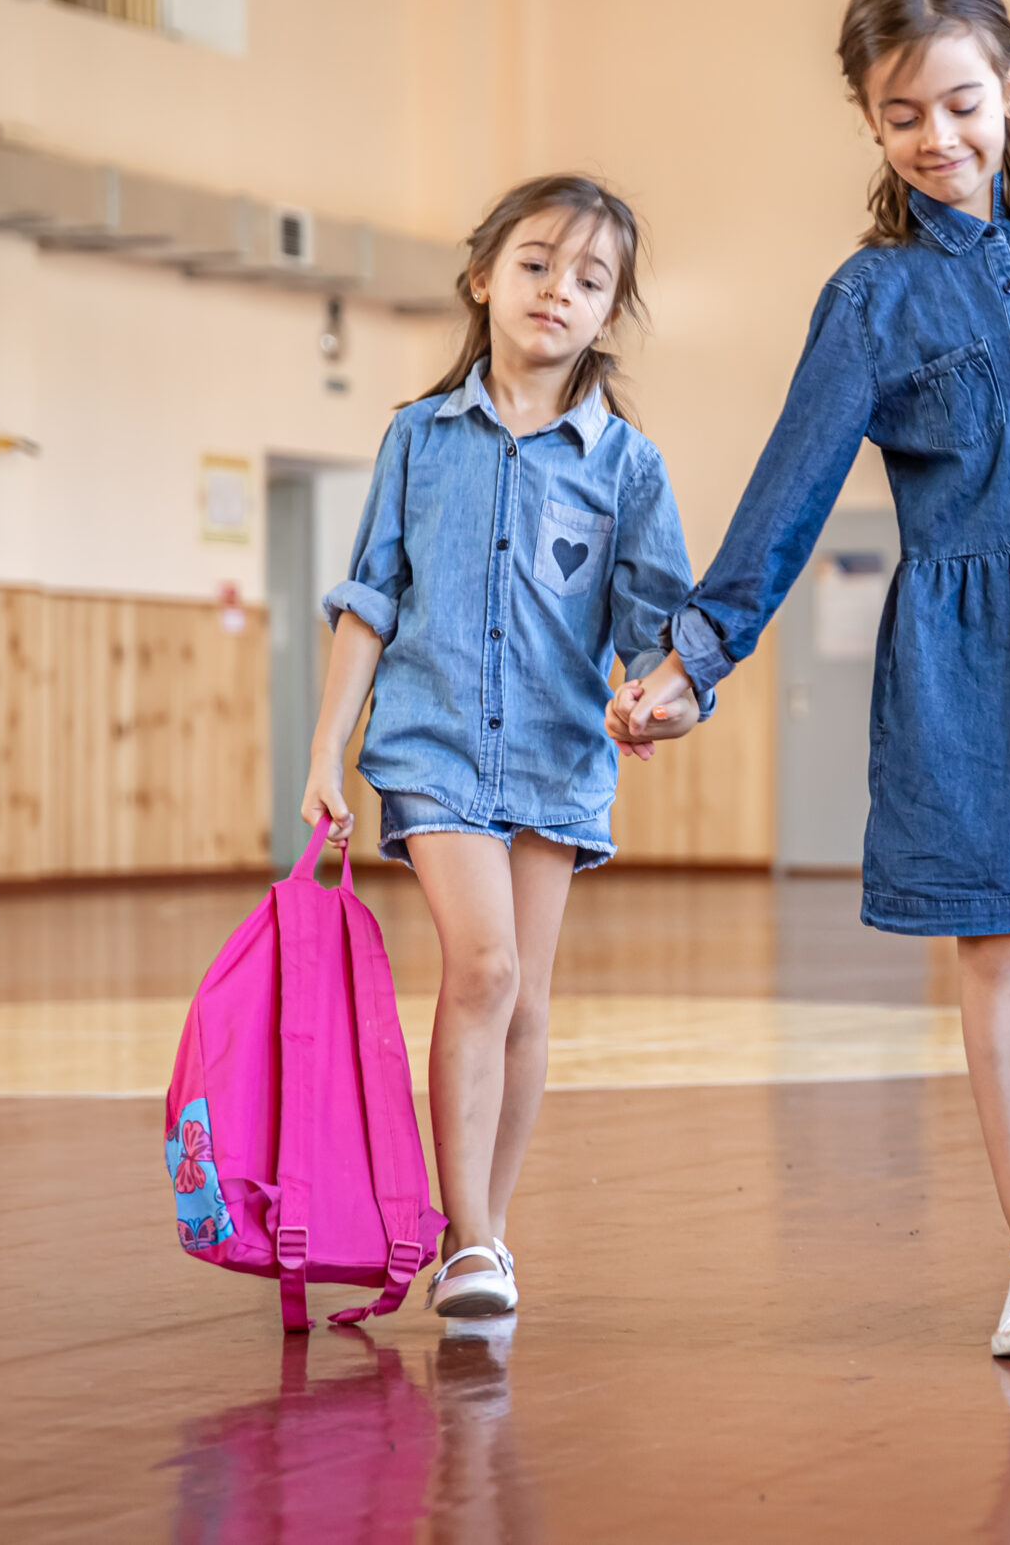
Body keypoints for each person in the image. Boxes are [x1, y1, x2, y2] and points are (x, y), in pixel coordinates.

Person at [610, 0, 1010, 1358]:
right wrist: (701, 652)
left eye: (961, 101)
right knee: (1002, 946)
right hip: (973, 659)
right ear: (870, 124)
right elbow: (792, 484)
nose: (939, 136)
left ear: (1009, 83)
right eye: (903, 117)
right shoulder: (869, 297)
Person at [305, 174, 700, 1318]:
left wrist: (651, 699)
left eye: (590, 279)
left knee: (525, 999)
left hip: (556, 757)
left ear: (608, 312)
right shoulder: (418, 440)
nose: (557, 293)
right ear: (482, 277)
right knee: (482, 967)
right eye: (535, 265)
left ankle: (491, 1235)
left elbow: (651, 635)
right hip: (430, 748)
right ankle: (465, 1234)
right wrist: (325, 757)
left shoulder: (628, 465)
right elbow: (369, 599)